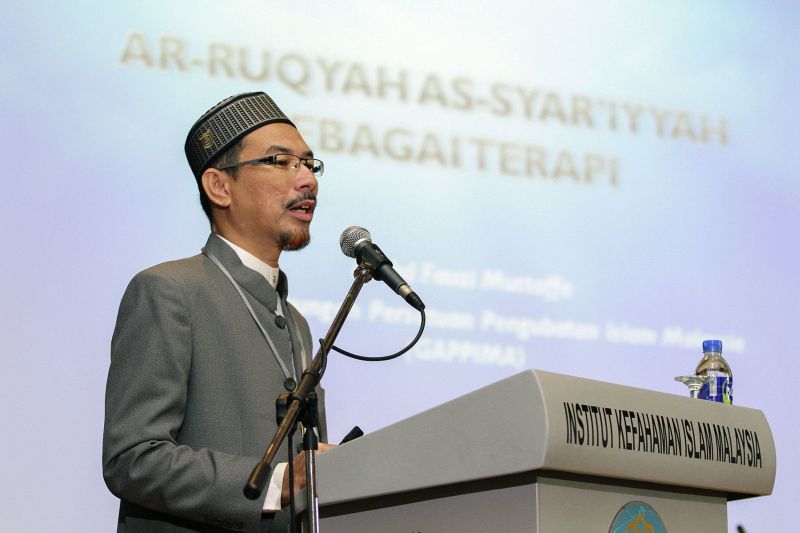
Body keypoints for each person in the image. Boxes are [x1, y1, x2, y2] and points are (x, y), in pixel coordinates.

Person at [103, 92, 331, 532]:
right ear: (219, 186)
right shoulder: (168, 291)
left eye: (309, 164)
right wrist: (280, 480)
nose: (307, 181)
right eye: (281, 161)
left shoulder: (297, 322)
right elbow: (132, 457)